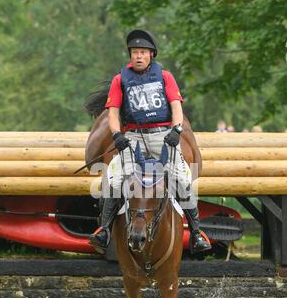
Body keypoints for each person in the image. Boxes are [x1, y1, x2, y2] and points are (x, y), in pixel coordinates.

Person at [89, 29, 211, 255]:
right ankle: (104, 230)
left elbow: (176, 106)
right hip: (133, 135)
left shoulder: (165, 77)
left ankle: (196, 233)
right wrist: (117, 134)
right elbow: (113, 112)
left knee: (181, 179)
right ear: (130, 55)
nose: (138, 56)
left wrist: (176, 130)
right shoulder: (120, 79)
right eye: (135, 52)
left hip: (161, 135)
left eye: (143, 52)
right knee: (114, 180)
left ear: (151, 55)